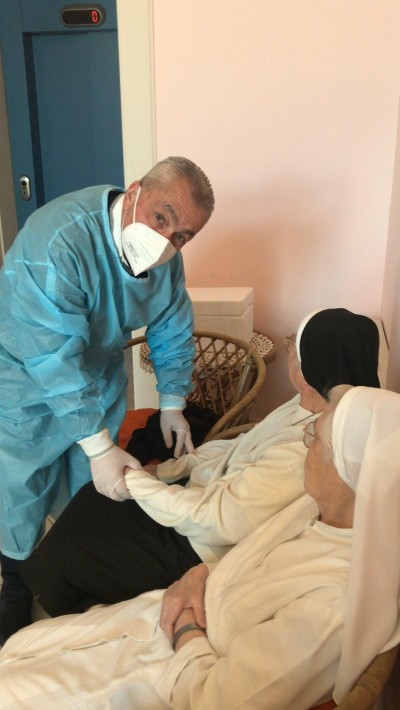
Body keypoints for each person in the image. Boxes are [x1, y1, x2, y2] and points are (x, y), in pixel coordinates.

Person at [1, 384, 399, 709]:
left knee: (12, 690)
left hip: (167, 673)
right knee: (19, 648)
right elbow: (250, 554)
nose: (304, 446)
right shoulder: (313, 510)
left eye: (314, 440)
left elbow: (214, 700)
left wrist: (187, 628)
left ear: (348, 472)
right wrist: (199, 574)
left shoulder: (332, 606)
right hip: (165, 614)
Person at [20, 308, 380, 618]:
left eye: (292, 347)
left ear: (309, 364)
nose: (289, 352)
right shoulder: (308, 403)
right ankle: (65, 589)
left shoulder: (312, 445)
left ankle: (72, 614)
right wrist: (164, 471)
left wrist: (136, 483)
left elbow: (219, 521)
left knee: (65, 554)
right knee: (93, 498)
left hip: (202, 545)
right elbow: (239, 447)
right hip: (202, 503)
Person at [0, 156, 215, 644]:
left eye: (182, 236)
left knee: (90, 490)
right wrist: (98, 446)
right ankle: (14, 581)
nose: (166, 241)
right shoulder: (58, 242)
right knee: (22, 486)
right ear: (135, 192)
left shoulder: (165, 262)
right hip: (26, 380)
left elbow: (172, 323)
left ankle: (69, 569)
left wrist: (173, 402)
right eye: (160, 218)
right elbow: (52, 358)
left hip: (96, 379)